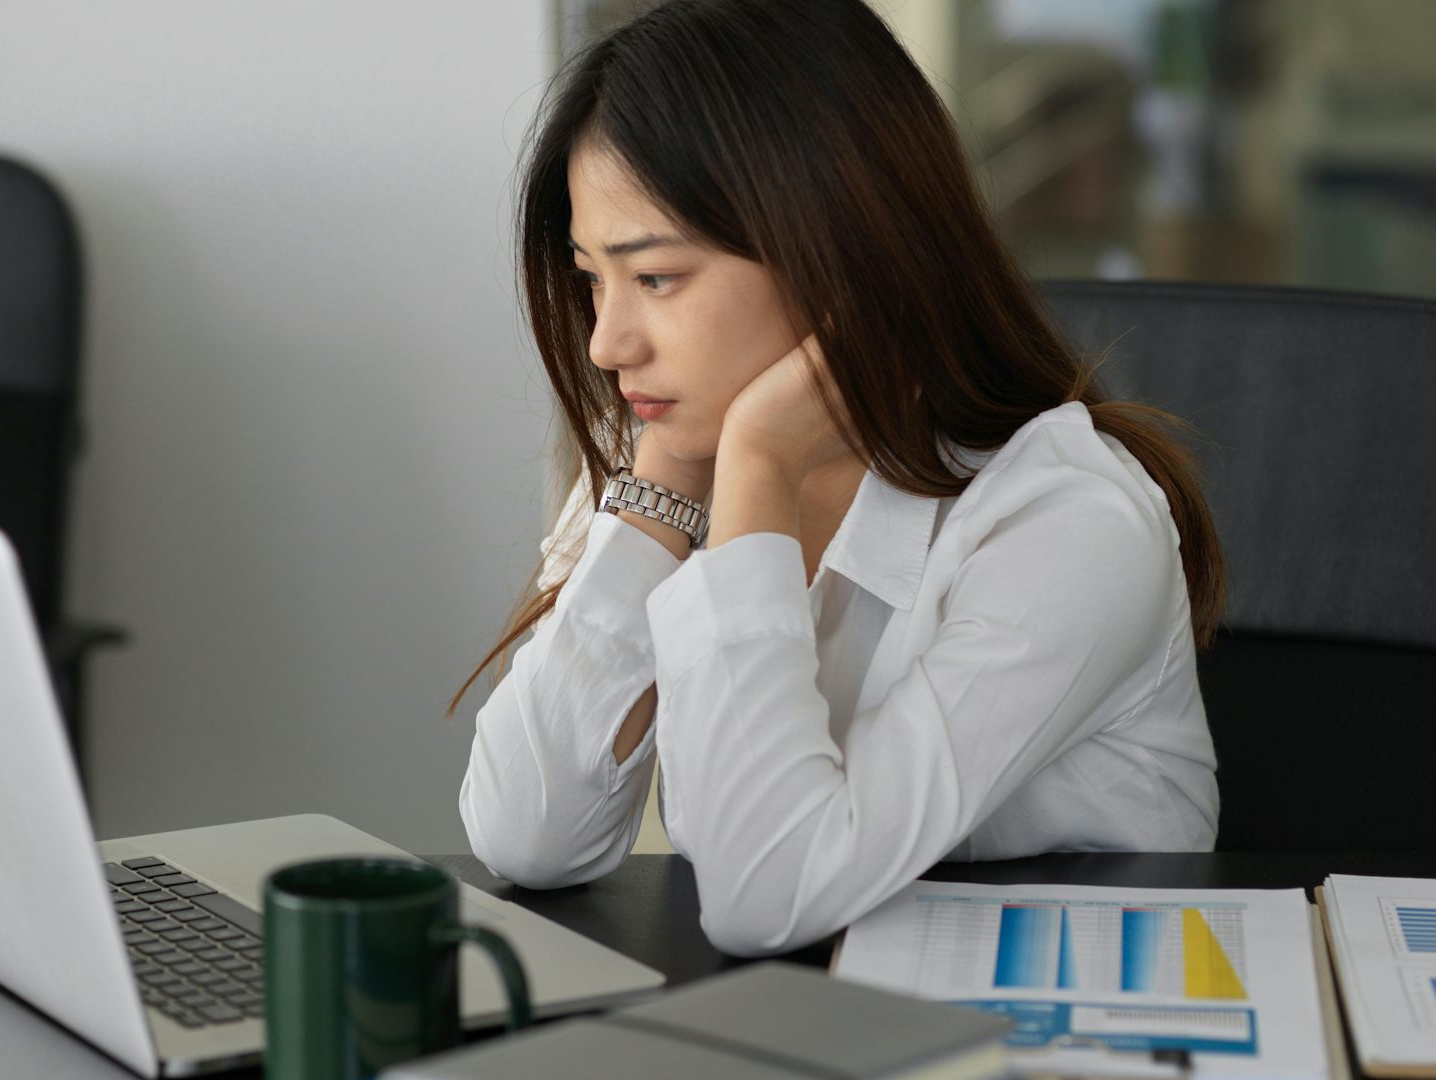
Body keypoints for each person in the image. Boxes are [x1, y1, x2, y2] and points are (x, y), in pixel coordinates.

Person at [452, 0, 1224, 957]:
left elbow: (760, 896)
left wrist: (762, 470)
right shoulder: (677, 448)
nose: (609, 343)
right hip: (798, 1020)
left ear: (837, 253)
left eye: (655, 278)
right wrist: (665, 491)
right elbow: (525, 835)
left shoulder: (1067, 522)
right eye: (590, 278)